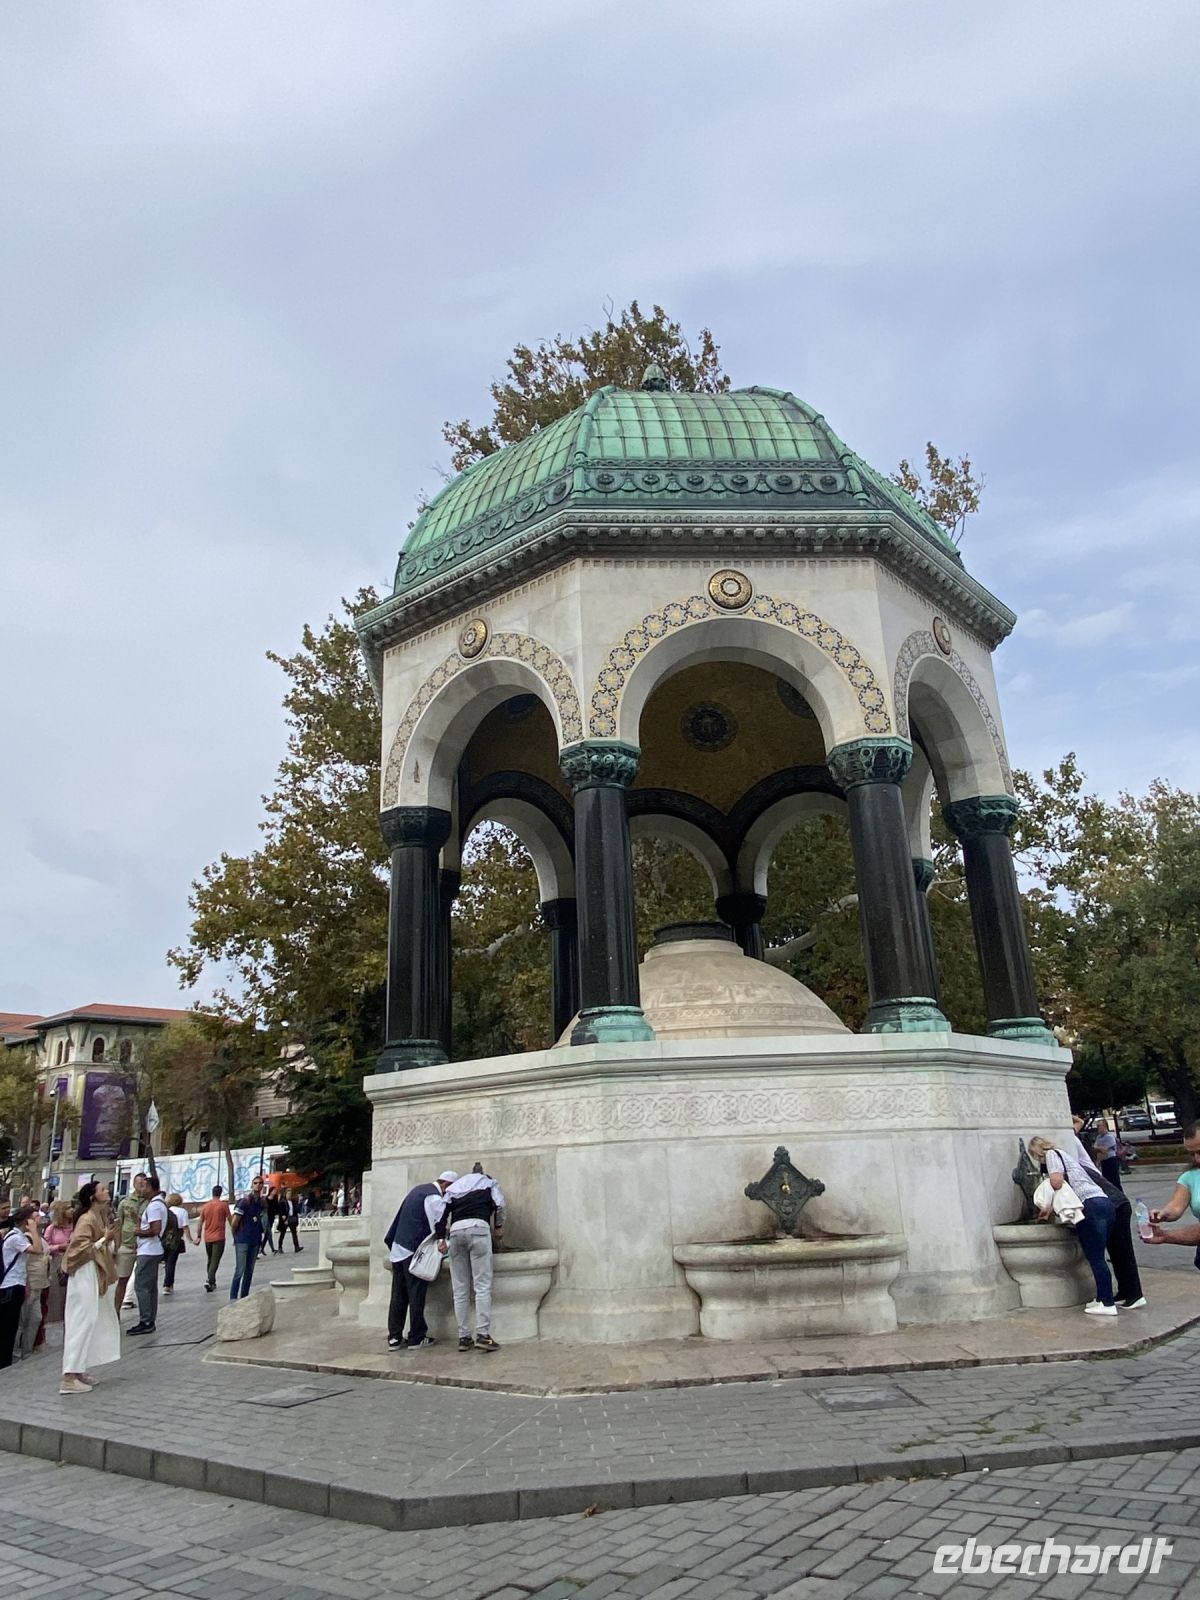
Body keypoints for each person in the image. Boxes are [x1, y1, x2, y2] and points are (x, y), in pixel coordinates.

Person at [1028, 1135, 1116, 1314]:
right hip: (1103, 1203)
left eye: (1035, 1156)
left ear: (1038, 1151)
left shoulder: (1052, 1155)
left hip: (1090, 1205)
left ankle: (1107, 1303)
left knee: (1096, 1257)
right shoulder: (1065, 1156)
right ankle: (1101, 1297)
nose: (1038, 1160)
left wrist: (1046, 1201)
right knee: (1099, 1255)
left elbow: (1056, 1181)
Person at [1063, 1125, 1146, 1309]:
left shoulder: (1076, 1169)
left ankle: (1135, 1293)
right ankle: (1126, 1291)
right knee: (1117, 1252)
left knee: (1122, 1251)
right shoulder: (1080, 1167)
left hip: (1117, 1205)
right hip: (1115, 1204)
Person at [433, 1168, 507, 1352]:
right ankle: (483, 1334)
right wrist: (498, 1226)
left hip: (456, 1232)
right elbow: (500, 1204)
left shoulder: (455, 1187)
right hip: (479, 1229)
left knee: (460, 1289)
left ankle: (463, 1337)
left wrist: (441, 1239)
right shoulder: (489, 1183)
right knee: (482, 1286)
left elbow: (441, 1214)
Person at [384, 1172, 456, 1351]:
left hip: (398, 1249)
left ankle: (394, 1337)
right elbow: (437, 1226)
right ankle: (416, 1337)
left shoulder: (418, 1190)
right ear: (446, 1184)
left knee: (398, 1295)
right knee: (416, 1294)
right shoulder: (434, 1197)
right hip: (413, 1252)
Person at [60, 1181, 120, 1394]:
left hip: (93, 1271)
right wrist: (105, 1238)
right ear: (93, 1196)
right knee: (82, 1320)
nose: (107, 1192)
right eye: (103, 1190)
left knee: (92, 1319)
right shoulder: (86, 1219)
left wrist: (109, 1238)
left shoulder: (100, 1216)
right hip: (84, 1272)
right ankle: (68, 1377)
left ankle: (78, 1370)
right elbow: (79, 1249)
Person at [0, 1205, 45, 1366]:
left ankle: (7, 1359)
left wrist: (26, 1283)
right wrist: (33, 1230)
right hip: (9, 1285)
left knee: (12, 1324)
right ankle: (4, 1361)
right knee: (9, 1325)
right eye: (33, 1218)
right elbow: (37, 1250)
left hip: (17, 1283)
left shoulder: (18, 1236)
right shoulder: (15, 1237)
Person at [1146, 1120, 1200, 1251]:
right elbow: (1176, 1207)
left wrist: (1166, 1236)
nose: (1197, 1159)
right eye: (1192, 1154)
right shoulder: (1190, 1177)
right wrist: (1162, 1213)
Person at [129, 1175, 168, 1335]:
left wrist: (139, 1232)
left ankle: (145, 1320)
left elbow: (155, 1230)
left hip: (148, 1250)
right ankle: (149, 1319)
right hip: (154, 1250)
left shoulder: (153, 1207)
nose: (141, 1189)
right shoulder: (158, 1204)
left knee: (142, 1286)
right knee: (150, 1287)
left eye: (144, 1186)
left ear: (151, 1187)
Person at [114, 1175, 147, 1314]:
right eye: (140, 1183)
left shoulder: (149, 1202)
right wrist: (117, 1245)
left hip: (144, 1245)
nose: (142, 1186)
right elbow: (118, 1223)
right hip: (127, 1245)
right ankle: (116, 1312)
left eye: (144, 1183)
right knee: (122, 1279)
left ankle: (145, 1314)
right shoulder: (125, 1202)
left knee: (143, 1282)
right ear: (134, 1184)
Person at [229, 1176, 266, 1299]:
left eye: (260, 1183)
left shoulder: (260, 1202)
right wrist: (236, 1237)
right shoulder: (245, 1201)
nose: (258, 1185)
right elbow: (234, 1222)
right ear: (251, 1185)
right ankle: (233, 1297)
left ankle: (244, 1296)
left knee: (249, 1271)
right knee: (240, 1270)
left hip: (255, 1240)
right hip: (243, 1239)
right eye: (255, 1183)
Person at [43, 1200, 74, 1326]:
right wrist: (59, 1247)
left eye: (71, 1207)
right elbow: (45, 1247)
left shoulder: (75, 1226)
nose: (71, 1210)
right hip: (57, 1261)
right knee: (59, 1292)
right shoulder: (52, 1228)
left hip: (73, 1261)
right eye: (68, 1208)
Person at [198, 1185, 231, 1292]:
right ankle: (209, 1280)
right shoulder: (223, 1206)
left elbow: (200, 1222)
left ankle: (212, 1282)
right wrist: (235, 1233)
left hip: (208, 1237)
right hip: (219, 1236)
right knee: (215, 1260)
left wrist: (198, 1236)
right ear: (221, 1193)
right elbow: (230, 1220)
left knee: (210, 1259)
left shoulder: (205, 1206)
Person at [161, 1193, 195, 1295]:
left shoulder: (166, 1211)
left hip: (164, 1239)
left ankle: (168, 1284)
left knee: (166, 1262)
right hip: (175, 1240)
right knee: (171, 1263)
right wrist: (190, 1239)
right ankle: (167, 1285)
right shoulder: (182, 1212)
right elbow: (185, 1227)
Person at [1092, 1118, 1122, 1189]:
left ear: (1105, 1126)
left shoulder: (1109, 1137)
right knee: (1106, 1181)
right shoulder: (1099, 1137)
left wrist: (1098, 1148)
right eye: (1098, 1126)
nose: (1098, 1128)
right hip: (1103, 1161)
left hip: (1111, 1160)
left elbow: (1104, 1150)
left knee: (1115, 1181)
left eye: (1100, 1126)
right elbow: (1094, 1147)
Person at [277, 1188, 303, 1253]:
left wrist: (298, 1202)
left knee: (294, 1233)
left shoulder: (293, 1202)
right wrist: (285, 1220)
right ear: (285, 1194)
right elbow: (282, 1212)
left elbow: (296, 1210)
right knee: (282, 1233)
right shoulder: (283, 1202)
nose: (289, 1195)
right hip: (286, 1219)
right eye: (288, 1194)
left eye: (290, 1194)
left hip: (292, 1219)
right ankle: (280, 1247)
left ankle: (296, 1247)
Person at [261, 1183, 280, 1257]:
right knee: (269, 1233)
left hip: (271, 1217)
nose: (275, 1192)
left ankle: (261, 1248)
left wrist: (277, 1213)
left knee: (267, 1234)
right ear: (271, 1191)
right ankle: (272, 1249)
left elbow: (277, 1208)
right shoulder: (266, 1199)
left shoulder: (275, 1199)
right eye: (274, 1190)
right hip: (266, 1218)